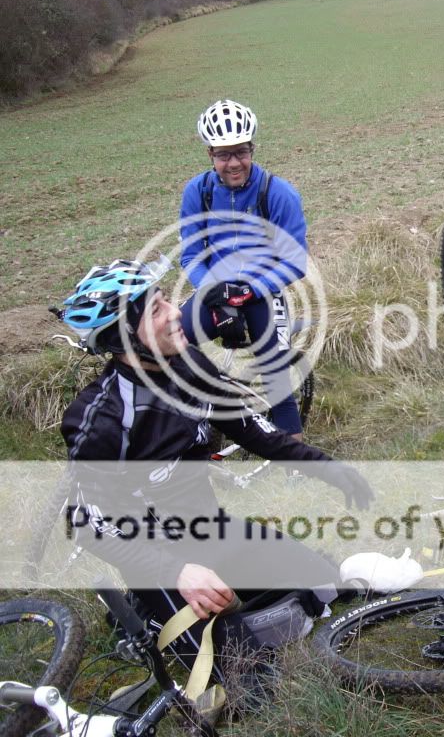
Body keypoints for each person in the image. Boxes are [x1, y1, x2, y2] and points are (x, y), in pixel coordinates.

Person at [57, 257, 373, 688]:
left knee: (328, 590)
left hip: (212, 529)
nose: (175, 314)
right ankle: (146, 614)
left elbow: (253, 429)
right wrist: (176, 572)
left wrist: (328, 469)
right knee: (248, 688)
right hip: (160, 561)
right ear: (125, 341)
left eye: (166, 299)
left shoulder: (192, 365)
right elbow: (85, 523)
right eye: (155, 310)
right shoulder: (102, 421)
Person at [179, 99, 309, 440]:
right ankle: (193, 434)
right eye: (223, 155)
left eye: (241, 152)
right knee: (172, 350)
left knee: (275, 376)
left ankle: (295, 462)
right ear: (210, 155)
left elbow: (295, 261)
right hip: (214, 292)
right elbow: (191, 255)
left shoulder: (278, 194)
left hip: (263, 292)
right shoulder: (198, 192)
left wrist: (249, 291)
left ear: (252, 149)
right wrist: (217, 296)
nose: (233, 163)